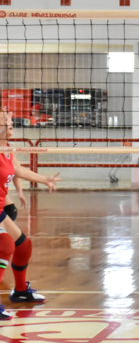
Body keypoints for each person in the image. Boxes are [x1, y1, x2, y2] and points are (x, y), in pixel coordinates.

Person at [0, 110, 60, 318]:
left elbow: (20, 171)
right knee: (6, 245)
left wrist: (44, 179)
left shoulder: (7, 149)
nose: (10, 122)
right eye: (5, 120)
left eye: (10, 119)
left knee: (23, 246)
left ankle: (20, 291)